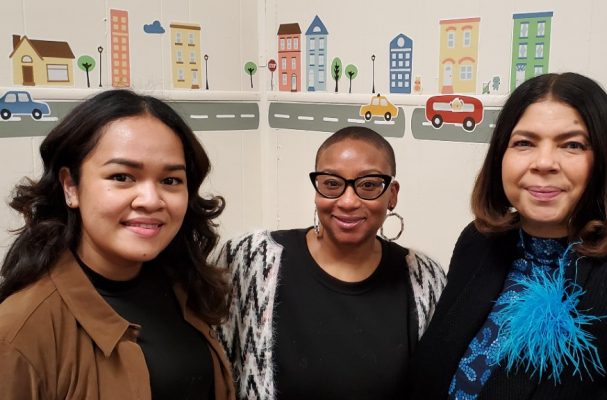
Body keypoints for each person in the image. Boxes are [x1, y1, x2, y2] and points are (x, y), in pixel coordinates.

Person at [409, 72, 607, 399]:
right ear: (500, 157)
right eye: (524, 143)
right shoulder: (478, 243)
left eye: (572, 145)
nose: (544, 162)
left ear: (604, 160)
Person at [0, 90, 235, 399]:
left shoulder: (186, 286)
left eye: (170, 181)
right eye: (122, 176)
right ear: (70, 186)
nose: (151, 200)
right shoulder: (19, 330)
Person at [217, 126, 446, 400]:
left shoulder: (425, 278)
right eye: (332, 184)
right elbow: (212, 372)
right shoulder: (250, 259)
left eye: (369, 185)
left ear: (392, 194)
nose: (348, 201)